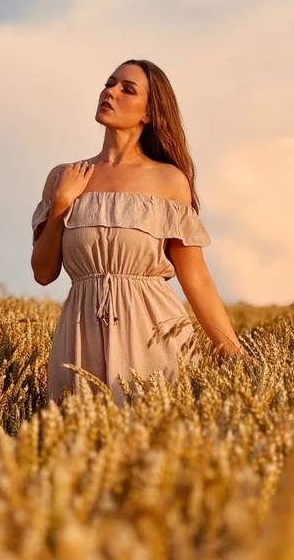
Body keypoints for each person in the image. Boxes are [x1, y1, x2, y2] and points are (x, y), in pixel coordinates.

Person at [31, 58, 247, 407]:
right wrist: (59, 207)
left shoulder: (169, 181)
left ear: (148, 113)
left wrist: (234, 353)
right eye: (109, 83)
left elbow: (197, 278)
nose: (110, 92)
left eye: (127, 89)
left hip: (153, 336)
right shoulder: (63, 177)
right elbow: (43, 273)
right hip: (80, 338)